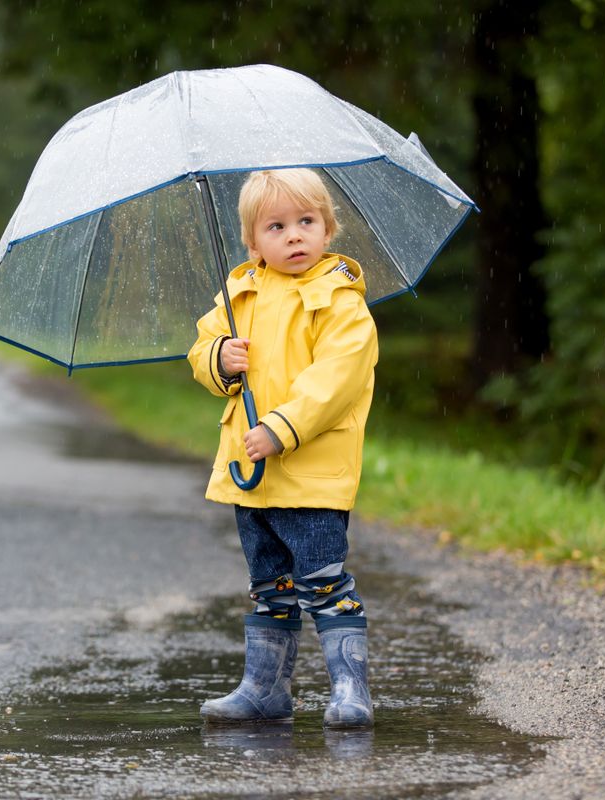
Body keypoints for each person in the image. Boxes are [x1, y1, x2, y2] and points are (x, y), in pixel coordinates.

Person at [187, 168, 379, 729]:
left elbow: (337, 379)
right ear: (252, 242)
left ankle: (351, 688)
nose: (294, 235)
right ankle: (266, 687)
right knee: (270, 585)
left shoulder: (339, 301)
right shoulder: (239, 292)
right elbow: (200, 349)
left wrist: (281, 427)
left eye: (306, 221)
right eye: (276, 226)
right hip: (254, 475)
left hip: (312, 473)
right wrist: (219, 358)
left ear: (328, 228)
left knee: (322, 580)